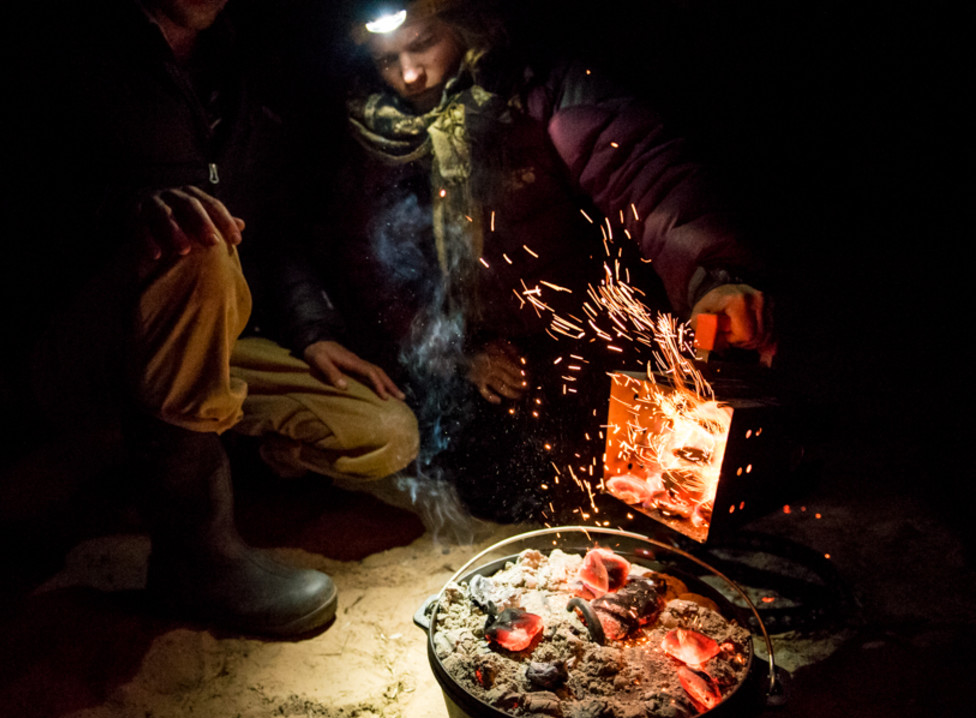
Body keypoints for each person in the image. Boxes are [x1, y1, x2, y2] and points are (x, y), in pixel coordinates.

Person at [0, 0, 420, 636]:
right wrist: (131, 211)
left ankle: (182, 465)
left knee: (384, 431)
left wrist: (311, 331)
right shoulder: (67, 51)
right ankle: (197, 560)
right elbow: (1, 209)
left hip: (204, 336)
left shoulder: (240, 64)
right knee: (197, 245)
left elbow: (267, 232)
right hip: (87, 343)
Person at [307, 0, 776, 521]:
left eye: (422, 44)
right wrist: (462, 355)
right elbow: (372, 272)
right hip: (477, 347)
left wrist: (712, 275)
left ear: (467, 27)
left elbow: (645, 175)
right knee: (501, 492)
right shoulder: (372, 136)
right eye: (387, 60)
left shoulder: (539, 89)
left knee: (650, 482)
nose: (409, 74)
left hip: (584, 327)